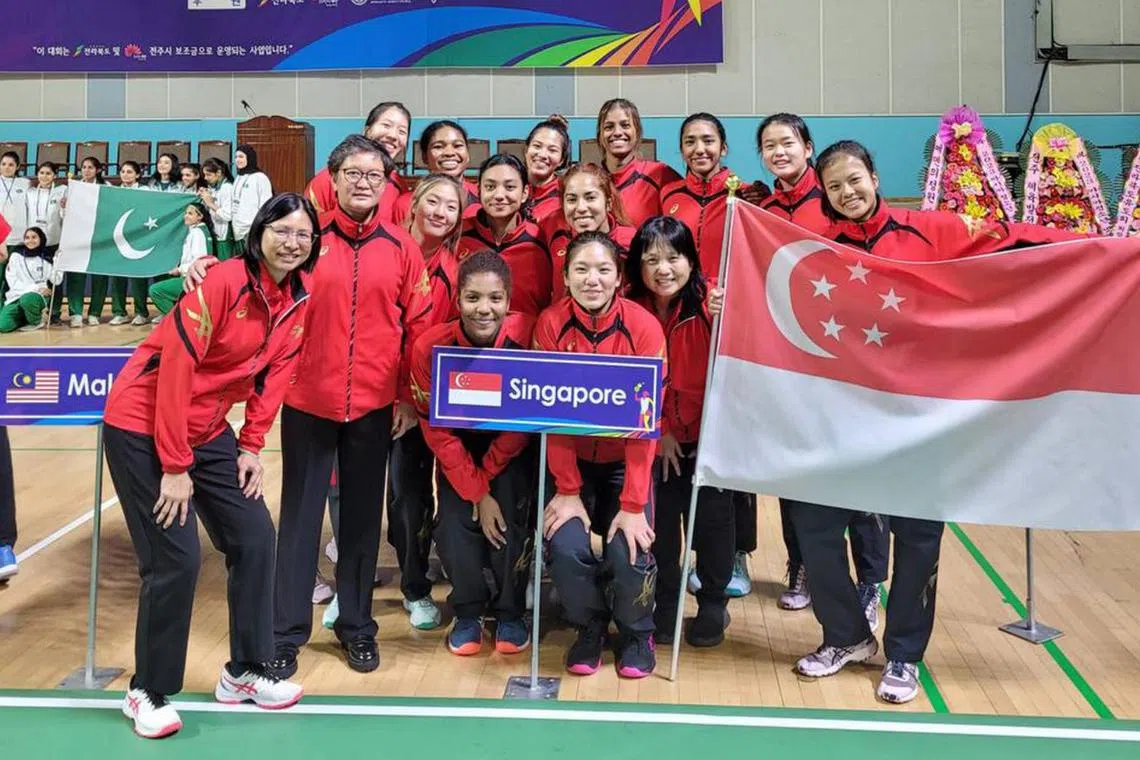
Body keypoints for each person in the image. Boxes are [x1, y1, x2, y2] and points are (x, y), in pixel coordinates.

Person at [791, 139, 1083, 705]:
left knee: (917, 539)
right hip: (845, 418)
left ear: (875, 176)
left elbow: (1013, 240)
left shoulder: (932, 231)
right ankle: (846, 636)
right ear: (823, 194)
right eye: (834, 186)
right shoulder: (817, 250)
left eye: (855, 179)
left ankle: (904, 653)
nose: (848, 192)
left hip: (921, 418)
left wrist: (1101, 248)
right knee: (814, 524)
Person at [102, 192, 316, 738]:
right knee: (175, 559)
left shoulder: (298, 299)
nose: (292, 243)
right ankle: (146, 690)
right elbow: (176, 368)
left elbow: (277, 376)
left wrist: (251, 445)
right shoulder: (222, 282)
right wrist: (175, 466)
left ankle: (245, 670)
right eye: (281, 231)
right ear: (258, 233)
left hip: (208, 428)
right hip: (142, 424)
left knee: (254, 537)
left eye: (303, 234)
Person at [267, 135, 431, 677]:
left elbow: (419, 327)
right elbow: (259, 283)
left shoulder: (402, 247)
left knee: (361, 521)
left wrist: (407, 396)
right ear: (332, 179)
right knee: (300, 520)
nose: (364, 183)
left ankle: (357, 626)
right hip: (307, 402)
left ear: (386, 185)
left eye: (374, 176)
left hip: (373, 406)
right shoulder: (305, 240)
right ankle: (286, 632)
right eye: (353, 174)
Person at [754, 113, 887, 615]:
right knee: (796, 474)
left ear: (807, 147)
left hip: (854, 362)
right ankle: (804, 564)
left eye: (787, 142)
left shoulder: (834, 205)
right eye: (769, 145)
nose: (779, 151)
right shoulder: (760, 211)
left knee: (862, 474)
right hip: (794, 362)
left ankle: (870, 581)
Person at [534, 231, 667, 679]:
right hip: (572, 467)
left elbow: (645, 426)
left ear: (619, 278)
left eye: (603, 270)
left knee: (630, 547)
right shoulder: (550, 325)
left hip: (625, 464)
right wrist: (567, 491)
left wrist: (633, 505)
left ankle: (637, 633)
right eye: (581, 270)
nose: (592, 279)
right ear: (566, 277)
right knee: (566, 545)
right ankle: (588, 626)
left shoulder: (644, 328)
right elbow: (551, 414)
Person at [411, 250, 535, 655]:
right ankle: (468, 611)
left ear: (508, 301)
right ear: (457, 300)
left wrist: (490, 482)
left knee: (509, 519)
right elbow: (438, 432)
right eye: (472, 298)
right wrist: (477, 492)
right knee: (452, 522)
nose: (484, 309)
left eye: (495, 298)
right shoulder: (430, 347)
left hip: (509, 450)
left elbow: (523, 423)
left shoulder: (525, 341)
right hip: (458, 451)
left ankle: (511, 610)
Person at [625, 216, 732, 647]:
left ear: (691, 261)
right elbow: (632, 381)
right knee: (664, 530)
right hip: (657, 439)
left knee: (713, 525)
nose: (663, 269)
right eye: (651, 260)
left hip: (710, 438)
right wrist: (662, 430)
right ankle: (665, 603)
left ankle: (713, 603)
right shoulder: (630, 307)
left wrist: (730, 312)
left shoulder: (712, 303)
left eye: (673, 258)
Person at [457, 154, 551, 318]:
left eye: (509, 187)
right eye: (490, 187)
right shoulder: (459, 234)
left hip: (527, 333)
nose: (499, 195)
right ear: (479, 191)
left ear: (525, 192)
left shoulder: (540, 239)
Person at [540, 163, 636, 301]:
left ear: (608, 203)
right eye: (572, 199)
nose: (581, 208)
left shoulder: (631, 241)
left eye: (590, 198)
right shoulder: (554, 235)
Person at [307, 101, 411, 220]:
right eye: (386, 125)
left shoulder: (399, 185)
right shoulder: (327, 180)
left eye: (402, 131)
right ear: (367, 130)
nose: (393, 136)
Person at [596, 98, 681, 226]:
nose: (617, 132)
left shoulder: (660, 175)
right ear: (600, 135)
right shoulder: (591, 180)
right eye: (609, 127)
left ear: (637, 131)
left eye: (625, 125)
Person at [395, 121, 480, 222]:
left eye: (457, 145)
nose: (449, 153)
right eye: (438, 147)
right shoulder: (406, 204)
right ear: (424, 157)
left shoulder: (483, 197)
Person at [60, 157, 109, 327]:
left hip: (99, 238)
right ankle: (76, 313)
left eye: (90, 167)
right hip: (78, 237)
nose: (86, 170)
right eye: (84, 167)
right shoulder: (73, 187)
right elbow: (64, 215)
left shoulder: (106, 187)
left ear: (98, 170)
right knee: (75, 276)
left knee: (99, 276)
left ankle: (95, 313)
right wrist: (63, 207)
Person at [148, 201, 214, 318]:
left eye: (190, 213)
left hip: (193, 280)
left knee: (155, 290)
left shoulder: (197, 233)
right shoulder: (199, 231)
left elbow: (198, 261)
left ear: (200, 217)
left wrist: (179, 270)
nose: (186, 216)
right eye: (186, 213)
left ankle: (177, 320)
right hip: (193, 277)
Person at [109, 161, 152, 326]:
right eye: (123, 171)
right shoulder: (114, 192)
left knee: (137, 277)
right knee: (117, 276)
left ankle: (141, 312)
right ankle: (119, 312)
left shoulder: (145, 191)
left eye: (129, 172)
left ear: (138, 175)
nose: (125, 175)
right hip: (118, 238)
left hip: (138, 238)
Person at [0, 227, 59, 332]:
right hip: (16, 295)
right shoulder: (16, 256)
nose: (30, 240)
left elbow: (56, 280)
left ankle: (36, 321)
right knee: (3, 326)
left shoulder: (46, 258)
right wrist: (36, 288)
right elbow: (13, 282)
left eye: (34, 237)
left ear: (41, 239)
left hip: (38, 296)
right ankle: (25, 318)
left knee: (27, 299)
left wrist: (58, 264)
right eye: (27, 238)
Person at [27, 162, 66, 325]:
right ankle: (32, 312)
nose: (44, 176)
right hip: (33, 243)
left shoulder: (61, 191)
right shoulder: (29, 193)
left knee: (55, 279)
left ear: (55, 175)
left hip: (53, 241)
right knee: (33, 277)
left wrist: (64, 207)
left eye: (48, 173)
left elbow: (65, 214)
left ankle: (54, 312)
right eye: (41, 173)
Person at [523, 115, 570, 224]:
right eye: (537, 146)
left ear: (561, 160)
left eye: (552, 150)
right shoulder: (510, 188)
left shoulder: (567, 194)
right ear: (526, 149)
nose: (543, 155)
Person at [0, 151, 29, 303]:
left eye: (11, 165)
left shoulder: (25, 183)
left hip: (18, 237)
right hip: (1, 238)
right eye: (3, 164)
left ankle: (10, 308)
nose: (7, 167)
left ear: (17, 167)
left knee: (13, 278)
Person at [233, 145, 273, 255]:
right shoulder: (238, 177)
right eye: (236, 157)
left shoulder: (260, 177)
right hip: (237, 230)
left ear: (249, 158)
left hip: (252, 229)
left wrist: (259, 226)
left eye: (241, 157)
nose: (237, 160)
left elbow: (266, 205)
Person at [199, 158, 236, 260]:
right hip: (217, 234)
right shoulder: (215, 187)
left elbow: (227, 215)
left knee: (224, 266)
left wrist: (210, 203)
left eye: (208, 175)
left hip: (225, 237)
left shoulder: (227, 188)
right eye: (204, 175)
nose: (205, 178)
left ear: (219, 173)